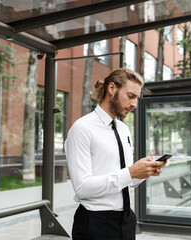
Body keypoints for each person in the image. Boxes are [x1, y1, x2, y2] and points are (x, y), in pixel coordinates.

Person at [65, 68, 166, 240]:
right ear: (112, 88)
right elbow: (82, 188)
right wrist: (130, 172)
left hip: (126, 220)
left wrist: (143, 171)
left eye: (137, 98)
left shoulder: (123, 129)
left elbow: (127, 180)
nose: (134, 104)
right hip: (95, 223)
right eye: (131, 96)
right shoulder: (82, 128)